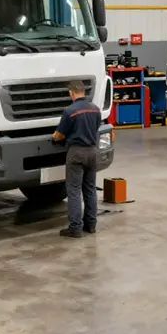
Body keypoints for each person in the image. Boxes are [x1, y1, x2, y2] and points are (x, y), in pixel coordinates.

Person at [52, 80, 102, 239]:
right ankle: (91, 225)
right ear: (83, 91)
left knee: (74, 191)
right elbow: (96, 129)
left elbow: (59, 135)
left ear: (71, 93)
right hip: (93, 152)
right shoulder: (95, 109)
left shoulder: (69, 111)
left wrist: (54, 137)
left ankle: (75, 229)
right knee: (90, 189)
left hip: (76, 153)